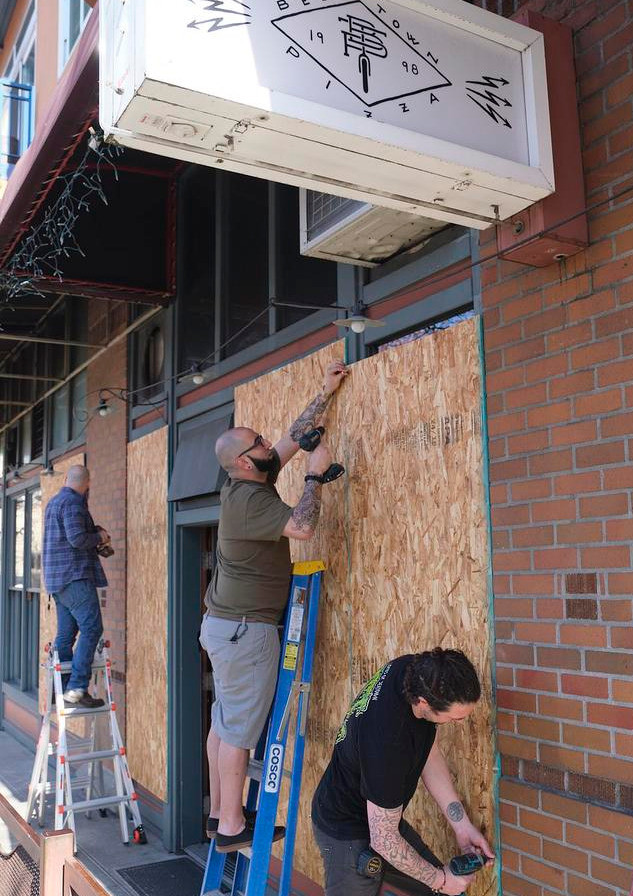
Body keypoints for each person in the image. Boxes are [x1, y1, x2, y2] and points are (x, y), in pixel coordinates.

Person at [200, 360, 347, 853]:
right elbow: (302, 527)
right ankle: (230, 830)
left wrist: (324, 393)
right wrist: (314, 476)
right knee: (239, 730)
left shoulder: (248, 480)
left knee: (224, 725)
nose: (268, 445)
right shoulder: (250, 500)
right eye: (257, 444)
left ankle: (221, 813)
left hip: (225, 627)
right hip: (246, 632)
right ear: (245, 461)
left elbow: (291, 436)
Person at [312, 648, 495, 896]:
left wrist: (461, 825)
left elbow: (427, 752)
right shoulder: (387, 744)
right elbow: (384, 840)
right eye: (454, 719)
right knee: (439, 885)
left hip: (383, 821)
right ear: (424, 702)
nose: (459, 723)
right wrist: (440, 880)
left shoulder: (412, 671)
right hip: (346, 830)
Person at [42, 465, 112, 709]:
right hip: (74, 578)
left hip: (58, 582)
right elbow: (77, 539)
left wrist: (92, 531)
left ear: (65, 479)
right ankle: (76, 690)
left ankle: (60, 689)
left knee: (66, 635)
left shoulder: (54, 502)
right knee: (92, 628)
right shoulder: (73, 504)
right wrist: (100, 538)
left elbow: (68, 536)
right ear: (88, 483)